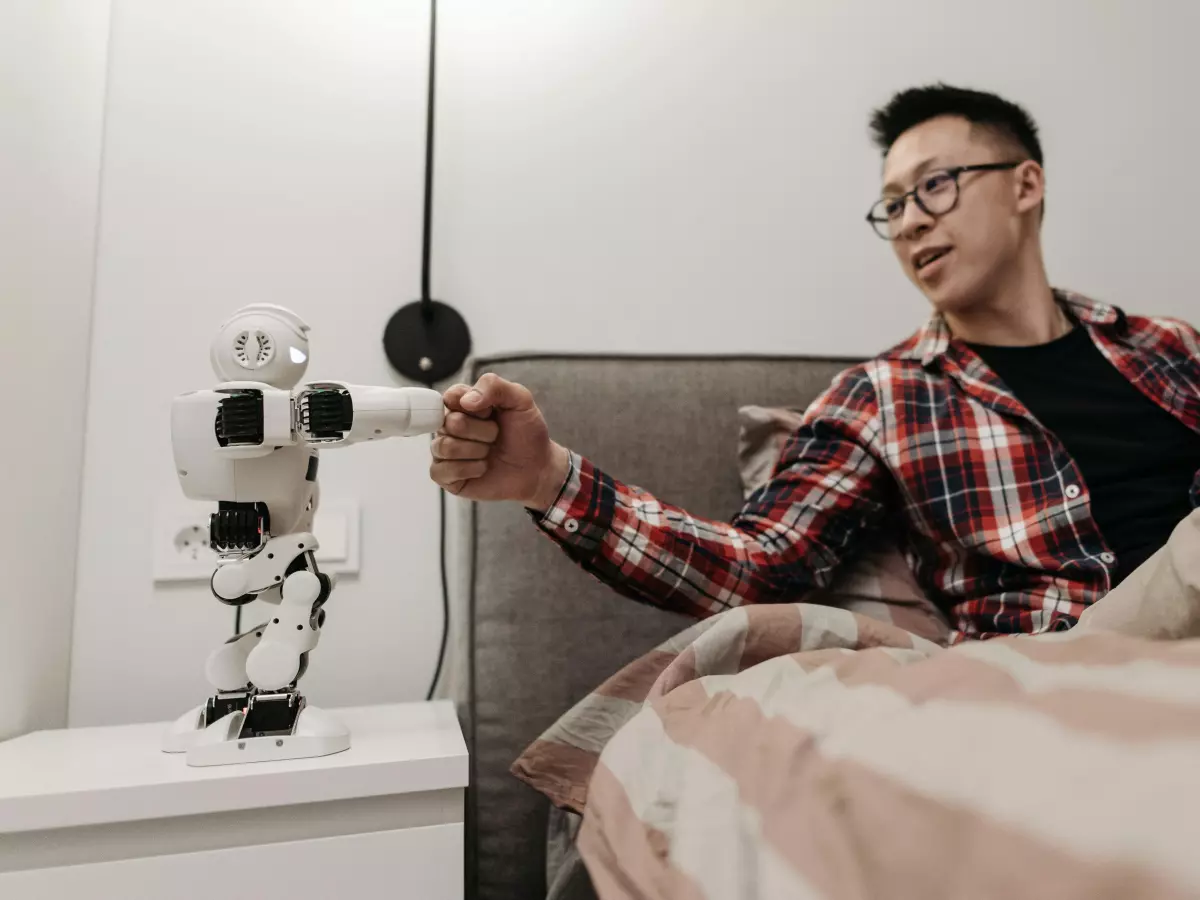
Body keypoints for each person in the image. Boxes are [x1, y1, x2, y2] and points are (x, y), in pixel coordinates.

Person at [428, 83, 1200, 641]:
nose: (909, 224)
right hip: (1059, 671)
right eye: (892, 207)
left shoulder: (1171, 348)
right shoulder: (887, 396)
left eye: (934, 186)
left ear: (1025, 184)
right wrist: (548, 478)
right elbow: (758, 570)